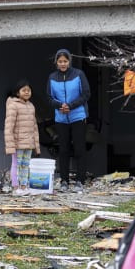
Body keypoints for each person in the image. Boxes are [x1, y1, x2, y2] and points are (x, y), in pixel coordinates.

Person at [46, 49, 90, 193]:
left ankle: (80, 181)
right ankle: (64, 180)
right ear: (56, 63)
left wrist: (70, 106)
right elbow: (49, 97)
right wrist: (60, 106)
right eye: (60, 61)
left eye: (65, 61)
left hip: (78, 115)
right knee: (63, 149)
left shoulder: (78, 74)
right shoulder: (52, 77)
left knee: (79, 149)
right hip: (61, 118)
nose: (63, 64)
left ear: (69, 61)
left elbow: (86, 94)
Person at [5, 79, 41, 196]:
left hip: (29, 143)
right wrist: (10, 146)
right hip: (17, 143)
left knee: (26, 165)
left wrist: (37, 146)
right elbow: (9, 126)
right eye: (24, 90)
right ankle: (16, 187)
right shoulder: (13, 105)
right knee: (16, 164)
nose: (27, 92)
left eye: (29, 90)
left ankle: (24, 187)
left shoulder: (31, 106)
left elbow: (34, 127)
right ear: (17, 93)